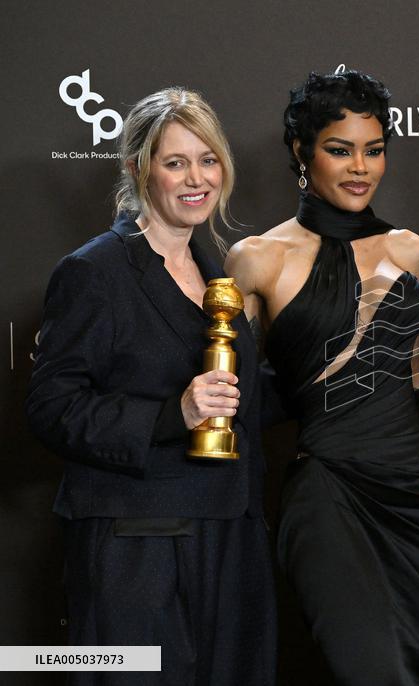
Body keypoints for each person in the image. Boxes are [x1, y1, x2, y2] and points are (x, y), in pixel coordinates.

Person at [225, 68, 419, 686]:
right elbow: (231, 388)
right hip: (329, 495)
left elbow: (416, 364)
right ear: (301, 152)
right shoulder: (257, 259)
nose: (359, 168)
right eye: (339, 150)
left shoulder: (410, 251)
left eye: (373, 151)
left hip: (417, 493)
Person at [26, 88, 275, 686]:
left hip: (228, 540)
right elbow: (51, 407)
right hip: (136, 552)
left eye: (208, 159)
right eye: (176, 162)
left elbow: (245, 399)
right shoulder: (95, 271)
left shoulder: (216, 272)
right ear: (138, 169)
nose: (197, 178)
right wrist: (172, 414)